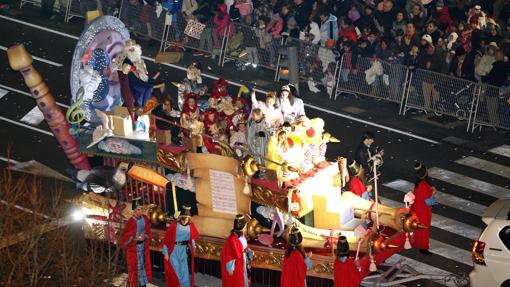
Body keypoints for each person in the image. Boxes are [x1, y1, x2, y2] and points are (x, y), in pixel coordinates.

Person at [162, 205, 200, 287]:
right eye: (183, 219)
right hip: (174, 250)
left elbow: (192, 238)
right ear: (181, 217)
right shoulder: (175, 225)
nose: (185, 221)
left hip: (183, 251)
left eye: (187, 219)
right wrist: (165, 252)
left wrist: (194, 247)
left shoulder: (190, 226)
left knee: (184, 271)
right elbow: (166, 239)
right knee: (176, 271)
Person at [119, 198, 153, 287]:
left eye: (142, 209)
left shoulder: (145, 218)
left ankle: (143, 284)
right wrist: (134, 239)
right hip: (133, 250)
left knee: (143, 268)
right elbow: (124, 237)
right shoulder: (131, 222)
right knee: (134, 269)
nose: (140, 211)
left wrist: (144, 237)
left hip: (143, 248)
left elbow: (148, 231)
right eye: (138, 209)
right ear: (134, 210)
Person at [411, 162, 437, 255]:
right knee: (423, 230)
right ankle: (423, 248)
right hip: (422, 211)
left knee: (417, 230)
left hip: (416, 209)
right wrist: (433, 193)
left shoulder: (418, 182)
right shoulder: (424, 185)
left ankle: (416, 243)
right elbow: (429, 202)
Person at [221, 214, 254, 287]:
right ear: (242, 228)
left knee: (243, 278)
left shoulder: (242, 237)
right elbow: (229, 255)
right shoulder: (232, 240)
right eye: (245, 227)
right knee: (237, 282)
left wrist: (249, 252)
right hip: (237, 265)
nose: (246, 229)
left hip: (243, 262)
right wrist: (230, 268)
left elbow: (245, 247)